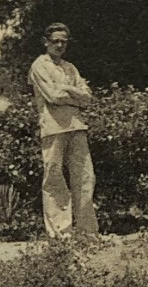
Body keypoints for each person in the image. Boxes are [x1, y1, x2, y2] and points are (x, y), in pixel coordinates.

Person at [28, 22, 97, 238]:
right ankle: (61, 232)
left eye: (63, 42)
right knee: (55, 178)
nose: (59, 45)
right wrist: (74, 94)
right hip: (53, 127)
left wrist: (67, 88)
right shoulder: (39, 66)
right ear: (45, 42)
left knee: (85, 177)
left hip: (76, 125)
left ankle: (87, 232)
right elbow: (52, 96)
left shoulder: (70, 68)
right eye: (55, 41)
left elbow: (88, 98)